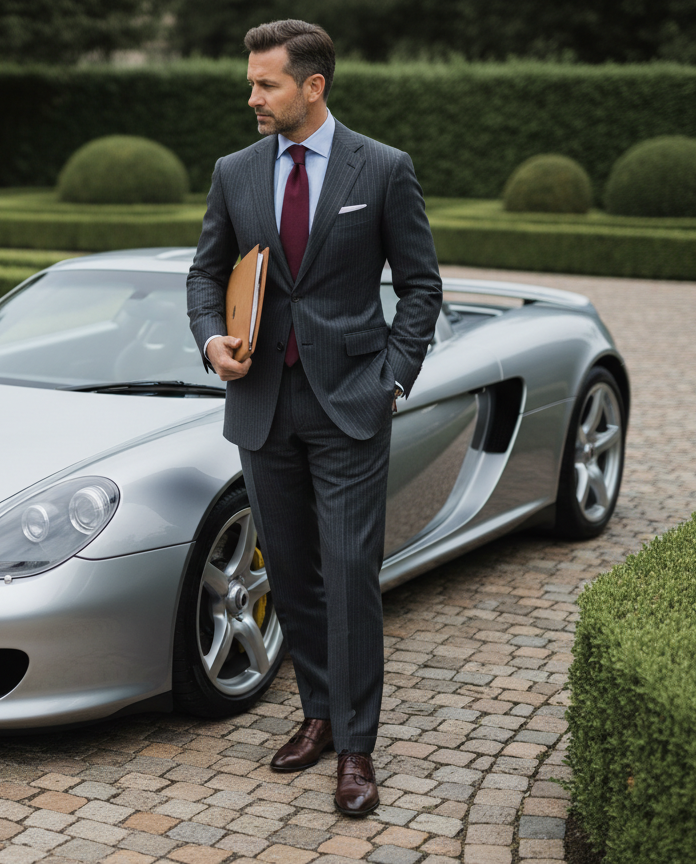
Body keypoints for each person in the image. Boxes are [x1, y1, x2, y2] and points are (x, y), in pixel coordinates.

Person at [186, 19, 442, 816]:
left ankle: (357, 750)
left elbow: (422, 288)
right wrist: (210, 342)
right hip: (262, 406)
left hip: (351, 407)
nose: (251, 96)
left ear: (313, 86)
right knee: (293, 576)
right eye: (252, 81)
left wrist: (390, 383)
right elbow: (204, 276)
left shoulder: (385, 168)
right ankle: (319, 715)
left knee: (351, 577)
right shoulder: (234, 172)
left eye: (266, 83)